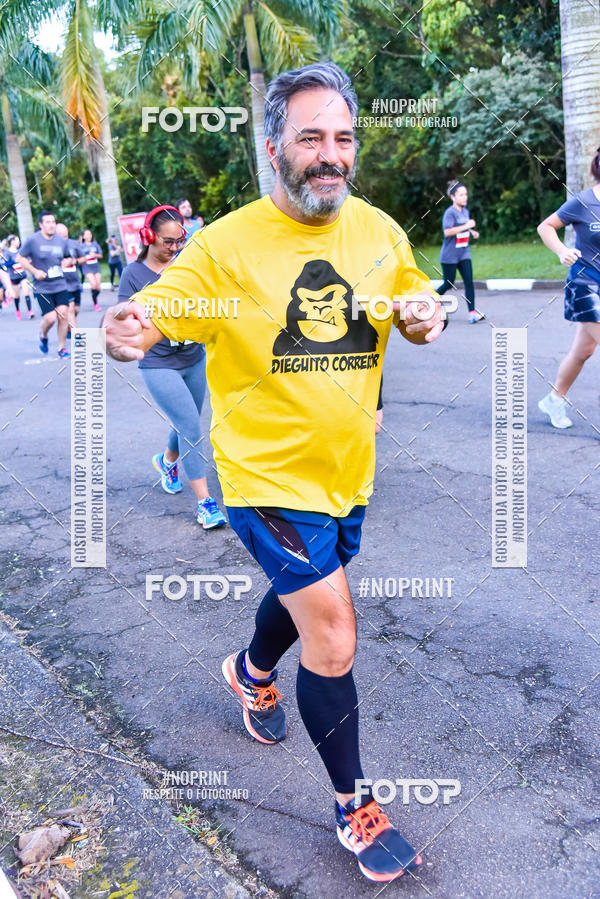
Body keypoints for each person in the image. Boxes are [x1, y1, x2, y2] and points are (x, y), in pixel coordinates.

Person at [105, 62, 447, 883]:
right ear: (273, 147)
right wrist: (132, 326)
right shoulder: (225, 246)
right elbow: (161, 305)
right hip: (264, 480)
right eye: (310, 138)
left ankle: (249, 672)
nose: (330, 155)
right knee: (332, 629)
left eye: (343, 138)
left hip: (346, 474)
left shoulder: (378, 232)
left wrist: (427, 313)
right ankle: (354, 805)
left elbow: (413, 303)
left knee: (305, 596)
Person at [118, 204, 227, 529]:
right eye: (168, 241)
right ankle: (205, 504)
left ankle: (167, 462)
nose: (175, 247)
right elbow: (123, 313)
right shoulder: (134, 274)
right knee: (191, 425)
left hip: (193, 357)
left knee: (186, 421)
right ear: (149, 237)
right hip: (158, 361)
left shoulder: (186, 267)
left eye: (179, 241)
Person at [537, 147, 600, 429]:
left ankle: (554, 399)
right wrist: (562, 250)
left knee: (583, 350)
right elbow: (546, 226)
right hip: (585, 284)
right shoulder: (583, 202)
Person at [17, 211, 72, 357]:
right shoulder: (33, 240)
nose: (51, 225)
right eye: (47, 222)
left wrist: (68, 261)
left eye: (53, 222)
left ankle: (61, 348)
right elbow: (20, 258)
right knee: (51, 318)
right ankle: (43, 334)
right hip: (42, 287)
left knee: (63, 314)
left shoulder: (61, 241)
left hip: (60, 285)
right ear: (41, 225)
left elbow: (68, 258)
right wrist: (34, 271)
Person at [437, 180, 483, 324]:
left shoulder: (465, 211)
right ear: (453, 197)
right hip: (449, 256)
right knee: (448, 283)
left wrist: (471, 231)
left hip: (463, 253)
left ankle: (472, 313)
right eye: (461, 195)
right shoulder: (449, 213)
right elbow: (448, 232)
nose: (465, 197)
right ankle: (428, 302)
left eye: (465, 194)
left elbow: (464, 227)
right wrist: (467, 225)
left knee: (469, 282)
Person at [56, 224, 84, 335]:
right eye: (61, 235)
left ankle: (69, 326)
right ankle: (77, 335)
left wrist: (74, 261)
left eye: (66, 234)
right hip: (62, 284)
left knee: (76, 309)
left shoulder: (74, 244)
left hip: (75, 283)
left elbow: (83, 258)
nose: (64, 237)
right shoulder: (53, 246)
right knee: (70, 310)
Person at [3, 235, 34, 319]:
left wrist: (28, 261)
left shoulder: (20, 251)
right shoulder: (7, 252)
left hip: (22, 276)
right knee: (16, 296)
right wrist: (13, 261)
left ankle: (30, 311)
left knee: (26, 292)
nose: (19, 242)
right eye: (17, 240)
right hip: (13, 278)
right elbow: (5, 264)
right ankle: (18, 311)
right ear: (12, 241)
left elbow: (28, 258)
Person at [79, 228, 103, 309]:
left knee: (98, 287)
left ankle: (94, 298)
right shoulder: (81, 246)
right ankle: (95, 303)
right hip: (87, 267)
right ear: (83, 236)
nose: (89, 236)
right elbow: (78, 257)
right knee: (93, 285)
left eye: (90, 234)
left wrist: (95, 254)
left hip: (95, 266)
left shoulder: (95, 244)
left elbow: (101, 256)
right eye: (87, 234)